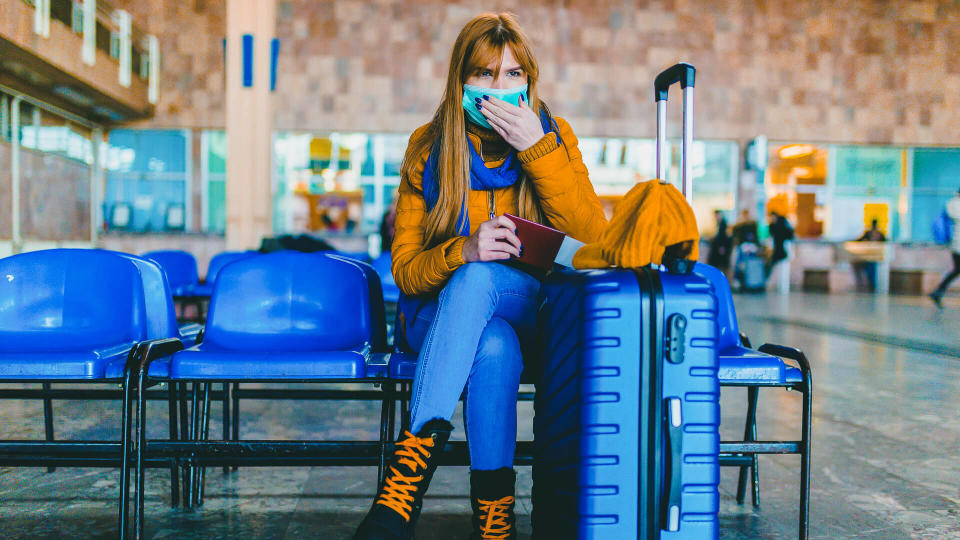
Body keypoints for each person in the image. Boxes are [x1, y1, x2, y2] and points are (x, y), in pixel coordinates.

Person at [353, 13, 607, 540]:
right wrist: (462, 250)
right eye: (485, 75)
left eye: (514, 75)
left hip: (533, 308)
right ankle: (494, 522)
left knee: (482, 283)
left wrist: (537, 149)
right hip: (438, 315)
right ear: (460, 80)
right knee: (490, 342)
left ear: (530, 81)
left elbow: (595, 244)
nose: (500, 88)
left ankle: (403, 488)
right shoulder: (428, 147)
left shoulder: (555, 138)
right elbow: (405, 270)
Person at [930, 188, 960, 308]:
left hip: (956, 244)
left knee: (957, 270)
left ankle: (938, 291)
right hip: (958, 244)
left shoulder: (952, 204)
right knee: (957, 270)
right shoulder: (955, 205)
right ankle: (938, 291)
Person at [852, 219, 886, 292]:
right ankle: (868, 284)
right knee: (867, 269)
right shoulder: (870, 233)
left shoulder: (878, 234)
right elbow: (859, 240)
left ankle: (871, 284)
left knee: (872, 270)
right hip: (869, 256)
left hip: (875, 256)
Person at [766, 211, 794, 275]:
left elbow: (789, 239)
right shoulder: (773, 226)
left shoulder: (783, 225)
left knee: (784, 271)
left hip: (784, 251)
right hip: (778, 250)